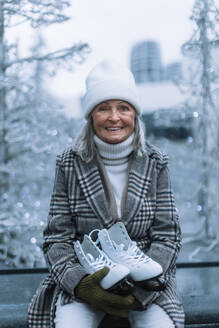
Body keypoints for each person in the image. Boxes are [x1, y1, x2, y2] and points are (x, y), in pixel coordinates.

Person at [28, 59, 185, 328]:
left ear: (134, 114)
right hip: (87, 277)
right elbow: (57, 238)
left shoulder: (156, 161)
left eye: (123, 107)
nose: (114, 117)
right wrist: (81, 284)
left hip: (146, 283)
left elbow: (167, 234)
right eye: (103, 108)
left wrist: (147, 282)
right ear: (91, 115)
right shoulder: (69, 162)